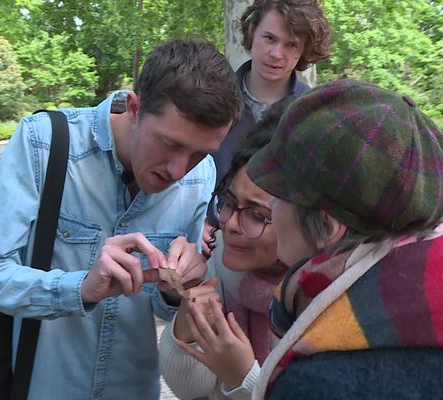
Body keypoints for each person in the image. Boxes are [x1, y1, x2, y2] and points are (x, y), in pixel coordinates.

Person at [0, 38, 243, 399]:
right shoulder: (43, 144)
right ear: (135, 109)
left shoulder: (200, 177)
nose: (178, 169)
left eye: (199, 153)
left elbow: (161, 306)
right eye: (169, 144)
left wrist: (176, 290)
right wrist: (77, 288)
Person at [180, 80, 443, 399]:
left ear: (325, 224)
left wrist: (247, 382)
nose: (273, 209)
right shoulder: (420, 299)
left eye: (276, 198)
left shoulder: (318, 378)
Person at [159, 104, 289, 400]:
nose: (229, 224)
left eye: (256, 215)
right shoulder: (224, 266)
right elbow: (192, 388)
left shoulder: (320, 299)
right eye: (229, 202)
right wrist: (185, 327)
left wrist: (244, 379)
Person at [203, 0, 331, 256]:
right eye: (270, 38)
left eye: (291, 44)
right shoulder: (209, 97)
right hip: (206, 248)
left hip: (281, 259)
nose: (276, 53)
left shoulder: (314, 115)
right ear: (252, 32)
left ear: (303, 49)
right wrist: (197, 222)